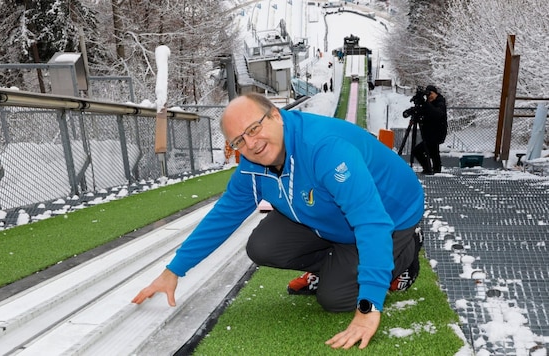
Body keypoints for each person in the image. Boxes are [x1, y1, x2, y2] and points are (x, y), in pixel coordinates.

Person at [132, 93, 425, 350]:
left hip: (391, 215)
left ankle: (407, 250)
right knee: (263, 246)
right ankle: (337, 264)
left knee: (335, 299)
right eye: (239, 141)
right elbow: (224, 215)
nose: (251, 144)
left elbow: (371, 222)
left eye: (254, 128)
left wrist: (368, 306)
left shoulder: (325, 148)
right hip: (327, 218)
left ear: (275, 114)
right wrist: (174, 270)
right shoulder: (253, 165)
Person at [412, 85, 448, 174]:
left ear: (436, 93)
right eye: (428, 95)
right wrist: (411, 111)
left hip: (436, 133)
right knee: (433, 152)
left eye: (431, 93)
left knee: (418, 151)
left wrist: (425, 103)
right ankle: (436, 169)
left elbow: (437, 113)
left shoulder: (440, 102)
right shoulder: (429, 103)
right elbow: (422, 110)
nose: (429, 96)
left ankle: (428, 169)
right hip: (430, 133)